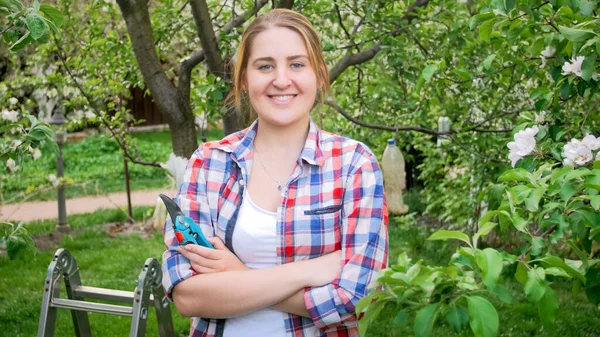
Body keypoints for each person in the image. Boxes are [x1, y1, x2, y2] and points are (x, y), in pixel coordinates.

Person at [162, 8, 388, 337]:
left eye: (297, 64)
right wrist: (309, 271)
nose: (281, 80)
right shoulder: (209, 162)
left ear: (320, 75)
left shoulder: (354, 165)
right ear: (243, 79)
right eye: (265, 66)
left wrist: (238, 275)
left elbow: (360, 297)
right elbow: (187, 294)